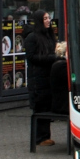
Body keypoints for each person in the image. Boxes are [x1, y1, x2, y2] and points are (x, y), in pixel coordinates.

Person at [24, 9, 61, 145]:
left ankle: (45, 136)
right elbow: (32, 57)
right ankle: (39, 137)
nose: (48, 21)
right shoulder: (32, 37)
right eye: (45, 18)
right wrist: (53, 58)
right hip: (37, 79)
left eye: (48, 18)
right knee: (40, 108)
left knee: (47, 106)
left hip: (48, 77)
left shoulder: (49, 36)